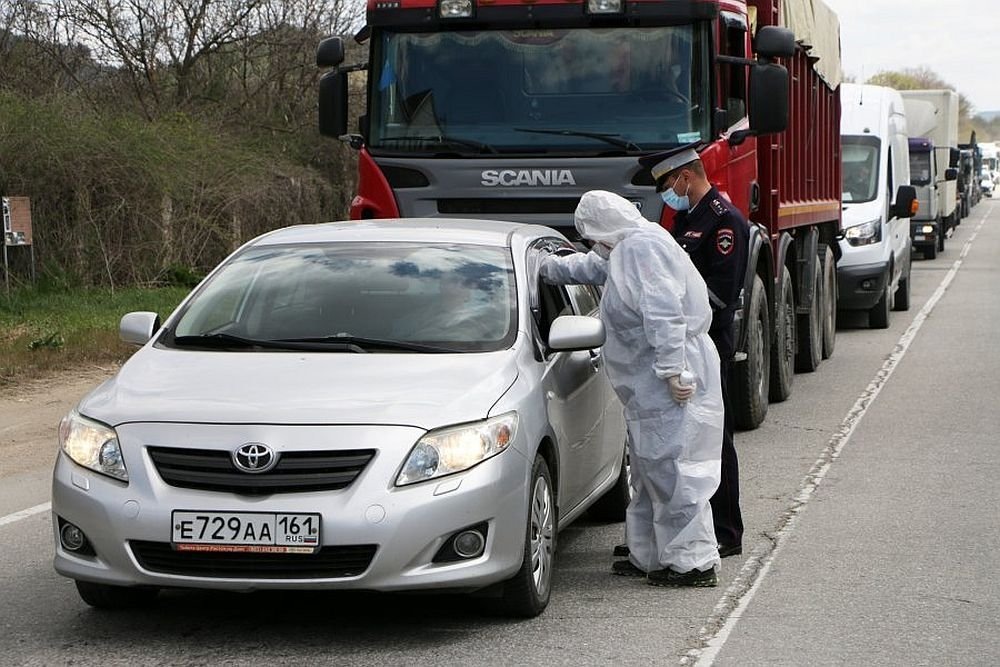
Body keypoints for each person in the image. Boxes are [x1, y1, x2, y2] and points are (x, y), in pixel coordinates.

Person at [540, 190, 724, 587]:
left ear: (603, 227)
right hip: (649, 379)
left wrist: (673, 370)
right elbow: (591, 266)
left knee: (674, 469)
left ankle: (693, 562)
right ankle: (650, 554)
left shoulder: (642, 248)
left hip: (667, 377)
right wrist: (545, 267)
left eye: (592, 235)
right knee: (647, 468)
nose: (594, 245)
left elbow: (664, 311)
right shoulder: (625, 244)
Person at [641, 146, 748, 559]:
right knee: (682, 443)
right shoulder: (685, 219)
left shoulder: (724, 222)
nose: (668, 192)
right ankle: (688, 529)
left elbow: (721, 293)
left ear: (686, 176)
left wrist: (673, 309)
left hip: (708, 345)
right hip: (681, 344)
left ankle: (726, 532)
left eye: (668, 184)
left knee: (714, 439)